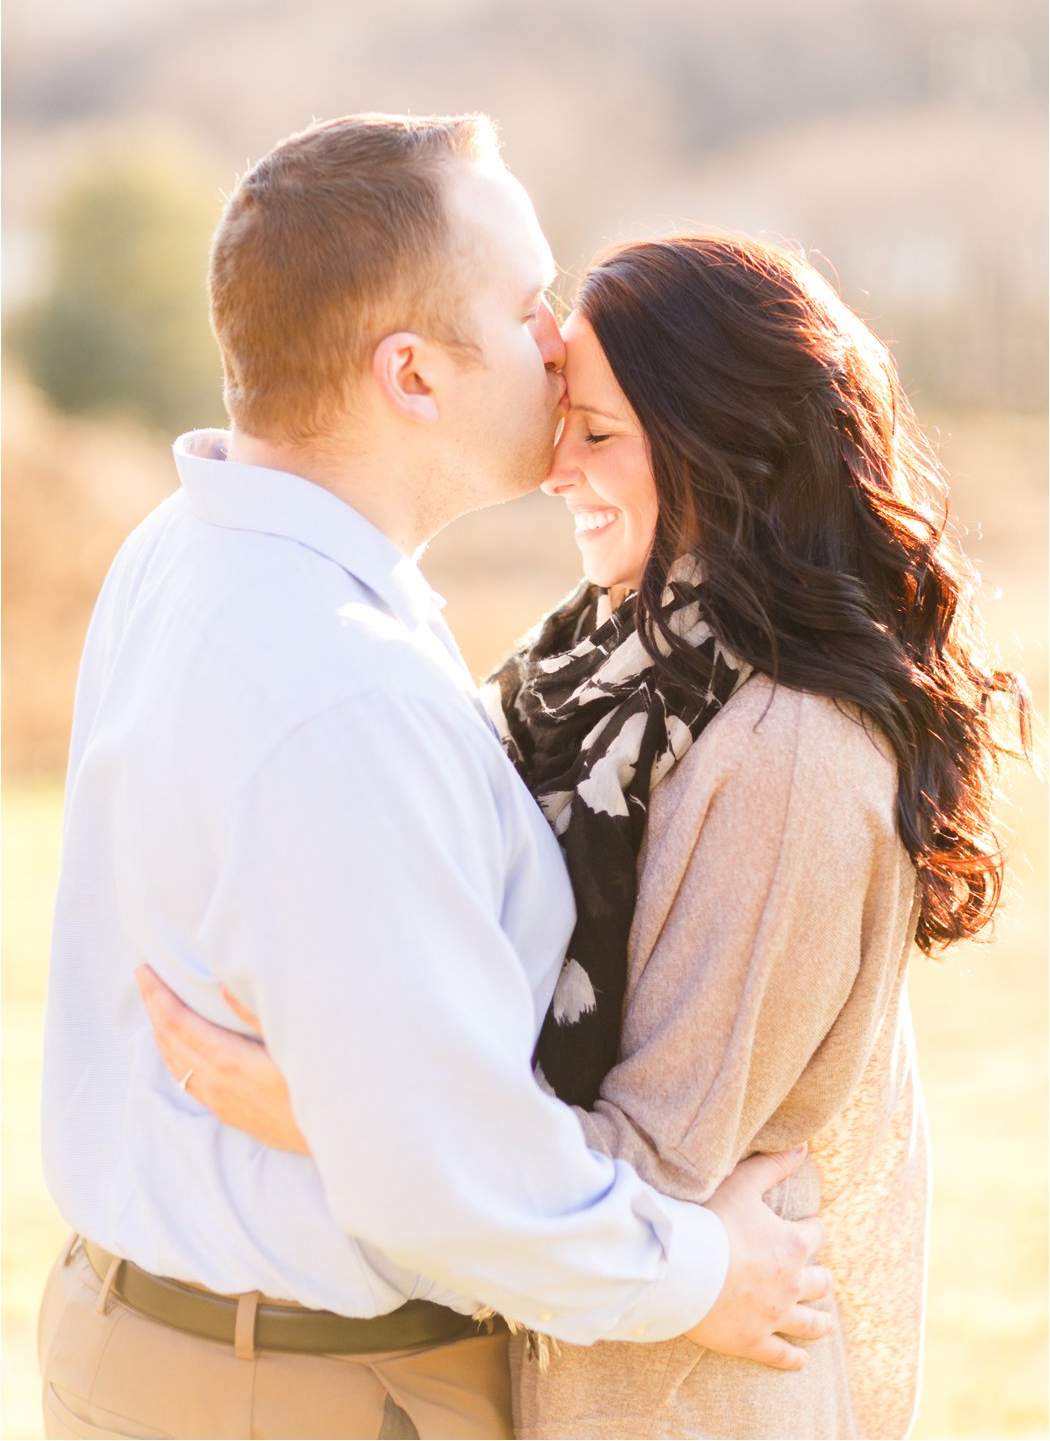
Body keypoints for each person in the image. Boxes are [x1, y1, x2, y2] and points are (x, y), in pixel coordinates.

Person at [144, 232, 1030, 1439]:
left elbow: (654, 1170)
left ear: (732, 450)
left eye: (601, 434)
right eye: (566, 416)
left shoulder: (790, 753)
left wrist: (332, 1107)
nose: (556, 466)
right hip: (570, 1366)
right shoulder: (597, 664)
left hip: (678, 1400)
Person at [37, 117, 830, 1441]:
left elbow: (394, 1088)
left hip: (175, 1350)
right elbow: (443, 1178)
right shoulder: (341, 693)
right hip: (304, 1393)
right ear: (410, 374)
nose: (563, 340)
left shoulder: (194, 548)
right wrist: (704, 1276)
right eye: (527, 306)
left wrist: (346, 1110)